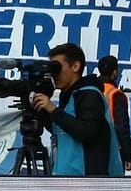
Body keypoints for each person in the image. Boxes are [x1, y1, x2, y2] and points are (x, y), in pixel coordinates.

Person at [31, 42, 120, 175]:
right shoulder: (69, 94)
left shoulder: (89, 94)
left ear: (75, 66)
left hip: (87, 179)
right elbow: (61, 130)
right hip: (69, 175)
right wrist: (41, 110)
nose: (54, 74)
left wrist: (54, 111)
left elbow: (88, 132)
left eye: (57, 67)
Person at [97, 55, 131, 173]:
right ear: (114, 72)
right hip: (114, 150)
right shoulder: (116, 95)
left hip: (93, 149)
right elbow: (122, 127)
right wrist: (128, 155)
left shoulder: (91, 90)